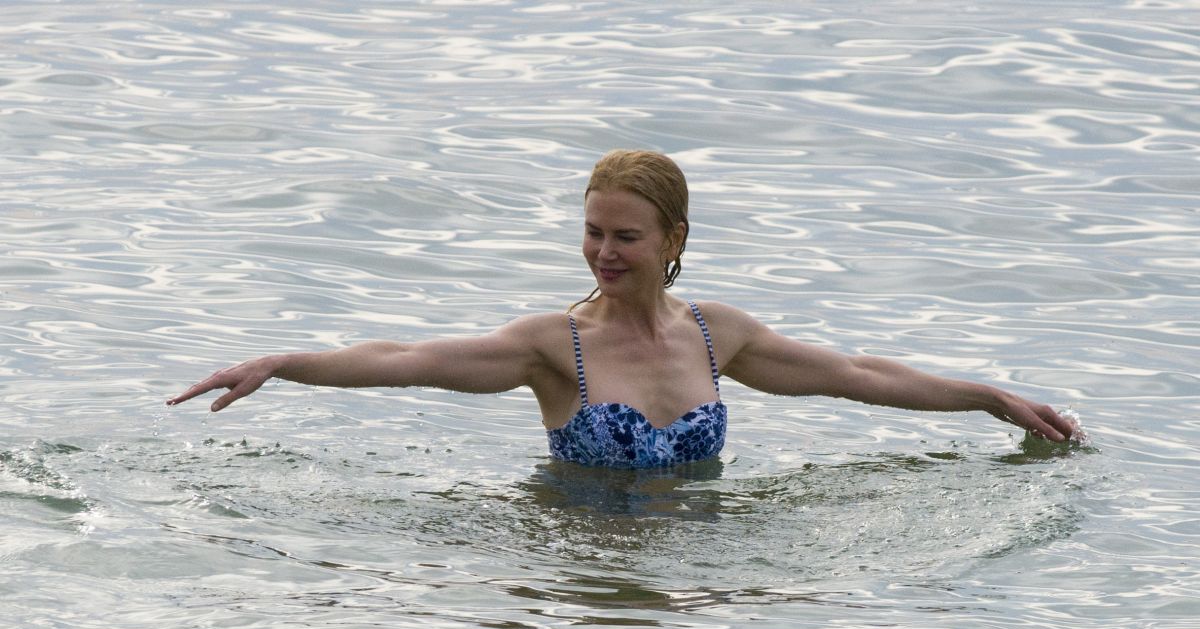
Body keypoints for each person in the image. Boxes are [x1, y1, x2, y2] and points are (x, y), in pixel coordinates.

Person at [168, 149, 1077, 468]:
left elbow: (856, 374)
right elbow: (407, 358)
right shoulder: (552, 346)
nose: (604, 252)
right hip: (577, 554)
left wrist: (987, 397)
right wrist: (283, 363)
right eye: (593, 232)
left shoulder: (718, 335)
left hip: (693, 556)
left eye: (627, 237)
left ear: (674, 238)